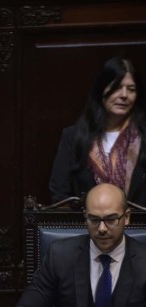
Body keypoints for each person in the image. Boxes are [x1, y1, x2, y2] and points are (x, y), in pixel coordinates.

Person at [13, 183, 146, 307]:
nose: (101, 229)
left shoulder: (144, 262)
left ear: (126, 217)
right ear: (85, 216)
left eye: (110, 220)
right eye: (94, 220)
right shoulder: (61, 255)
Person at [50, 57, 146, 205]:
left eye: (131, 89)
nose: (124, 95)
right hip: (85, 226)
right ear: (101, 89)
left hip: (139, 227)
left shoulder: (143, 136)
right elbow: (60, 194)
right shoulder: (73, 137)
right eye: (117, 87)